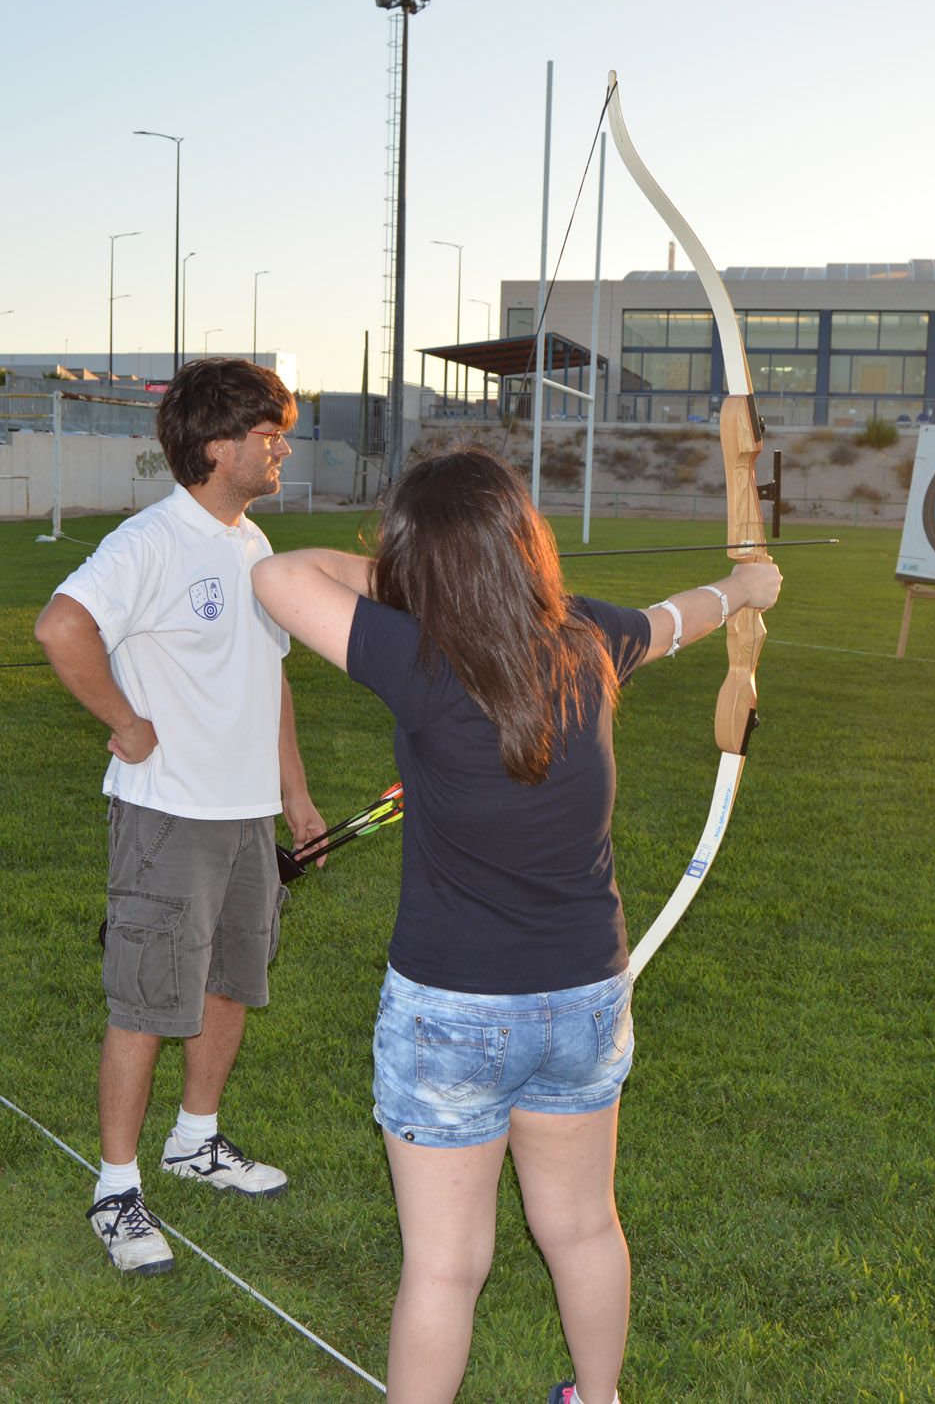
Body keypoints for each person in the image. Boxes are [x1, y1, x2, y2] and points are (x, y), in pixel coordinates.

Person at [249, 446, 782, 1404]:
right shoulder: (590, 637)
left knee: (446, 1266)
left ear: (425, 564)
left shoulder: (416, 657)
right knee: (581, 1226)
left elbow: (279, 574)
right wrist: (747, 585)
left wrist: (416, 584)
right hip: (583, 997)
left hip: (451, 1007)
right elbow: (679, 619)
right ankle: (600, 1398)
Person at [35, 356, 326, 1276]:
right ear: (215, 446)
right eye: (269, 434)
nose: (282, 447)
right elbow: (60, 625)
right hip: (168, 816)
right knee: (146, 1001)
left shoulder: (253, 545)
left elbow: (267, 675)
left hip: (244, 818)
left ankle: (194, 1141)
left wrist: (294, 793)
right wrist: (126, 722)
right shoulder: (152, 540)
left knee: (231, 982)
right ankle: (114, 1189)